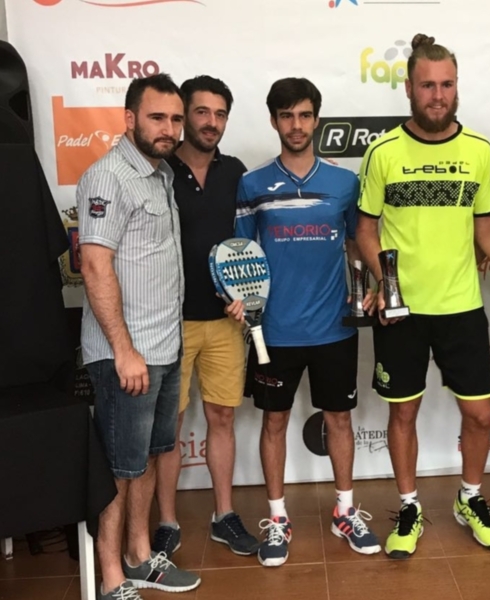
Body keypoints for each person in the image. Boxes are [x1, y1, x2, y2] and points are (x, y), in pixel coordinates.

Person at [357, 33, 490, 559]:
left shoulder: (478, 150)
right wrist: (385, 284)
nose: (437, 95)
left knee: (481, 415)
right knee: (403, 416)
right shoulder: (382, 152)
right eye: (427, 86)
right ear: (409, 88)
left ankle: (470, 498)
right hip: (402, 311)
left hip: (462, 306)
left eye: (446, 85)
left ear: (457, 86)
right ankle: (409, 507)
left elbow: (486, 227)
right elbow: (366, 230)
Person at [231, 77, 380, 568]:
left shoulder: (344, 183)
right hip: (273, 331)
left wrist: (369, 284)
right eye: (286, 116)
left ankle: (345, 511)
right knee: (273, 421)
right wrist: (240, 299)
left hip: (334, 326)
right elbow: (240, 254)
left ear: (316, 119)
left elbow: (358, 241)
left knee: (340, 419)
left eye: (304, 115)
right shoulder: (252, 184)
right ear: (274, 121)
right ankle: (277, 517)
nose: (296, 125)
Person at [78, 73, 200, 599]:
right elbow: (94, 265)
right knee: (117, 469)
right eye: (157, 117)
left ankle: (140, 555)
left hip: (163, 349)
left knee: (148, 458)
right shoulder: (108, 177)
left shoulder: (161, 175)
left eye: (175, 119)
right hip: (124, 356)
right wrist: (124, 351)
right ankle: (111, 578)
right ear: (129, 119)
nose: (169, 128)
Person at [151, 75, 259, 560]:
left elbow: (249, 246)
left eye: (220, 114)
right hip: (168, 323)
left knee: (222, 417)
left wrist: (246, 295)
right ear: (184, 115)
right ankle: (167, 522)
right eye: (201, 112)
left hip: (224, 322)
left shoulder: (236, 172)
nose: (211, 122)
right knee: (168, 429)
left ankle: (224, 515)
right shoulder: (157, 169)